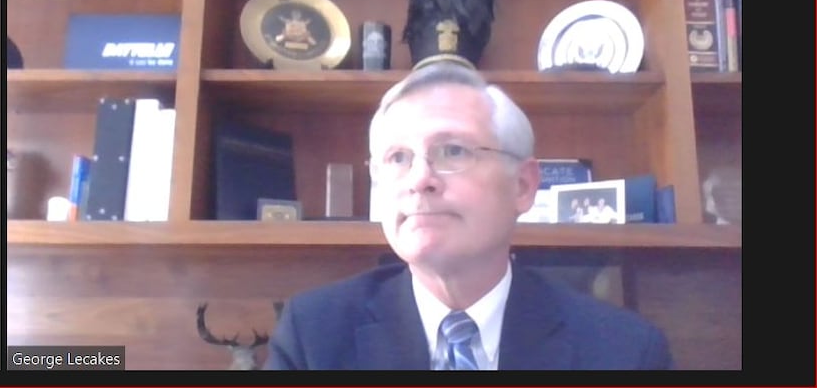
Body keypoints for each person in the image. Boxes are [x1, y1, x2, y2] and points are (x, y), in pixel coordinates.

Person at [266, 63, 672, 370]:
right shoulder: (313, 336)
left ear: (523, 186)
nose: (419, 179)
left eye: (453, 151)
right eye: (398, 158)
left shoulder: (625, 351)